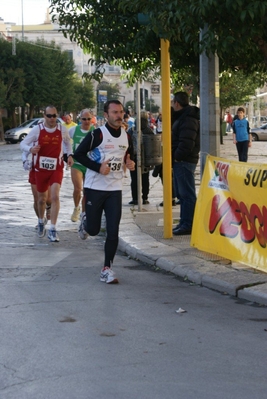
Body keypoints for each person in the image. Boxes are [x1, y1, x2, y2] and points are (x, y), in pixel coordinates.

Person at [74, 99, 135, 284]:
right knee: (93, 230)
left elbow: (128, 158)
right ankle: (85, 221)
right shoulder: (97, 135)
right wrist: (97, 167)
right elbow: (78, 155)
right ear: (106, 115)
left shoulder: (126, 135)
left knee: (113, 230)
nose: (119, 116)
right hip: (95, 188)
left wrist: (130, 164)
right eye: (114, 112)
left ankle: (107, 268)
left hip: (115, 189)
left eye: (121, 112)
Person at [20, 105, 74, 242]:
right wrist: (30, 149)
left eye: (54, 116)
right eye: (49, 116)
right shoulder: (37, 130)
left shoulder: (62, 129)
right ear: (44, 116)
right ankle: (40, 221)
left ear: (57, 116)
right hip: (40, 169)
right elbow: (23, 144)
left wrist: (70, 155)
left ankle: (53, 229)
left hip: (56, 168)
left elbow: (68, 144)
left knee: (55, 196)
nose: (52, 118)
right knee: (41, 199)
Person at [171, 92, 200, 236]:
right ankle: (184, 222)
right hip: (181, 160)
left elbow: (187, 142)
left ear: (177, 103)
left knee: (186, 194)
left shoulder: (188, 118)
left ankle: (188, 224)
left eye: (172, 102)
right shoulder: (184, 116)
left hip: (184, 161)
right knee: (182, 194)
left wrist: (177, 157)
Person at [69, 109, 95, 222]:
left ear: (91, 119)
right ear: (80, 120)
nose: (86, 121)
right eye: (84, 119)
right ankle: (76, 208)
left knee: (87, 190)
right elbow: (65, 141)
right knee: (78, 188)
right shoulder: (74, 130)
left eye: (88, 119)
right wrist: (68, 155)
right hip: (77, 164)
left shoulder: (95, 131)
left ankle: (84, 213)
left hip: (89, 164)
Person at [128, 111, 154, 205]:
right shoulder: (149, 130)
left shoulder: (132, 130)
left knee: (134, 179)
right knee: (145, 178)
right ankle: (145, 198)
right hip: (146, 158)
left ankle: (135, 198)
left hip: (134, 156)